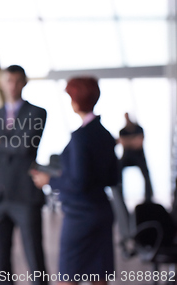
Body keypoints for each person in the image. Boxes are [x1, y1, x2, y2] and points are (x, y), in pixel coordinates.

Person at [31, 77, 118, 285]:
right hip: (102, 210)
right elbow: (113, 177)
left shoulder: (81, 137)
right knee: (99, 276)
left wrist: (49, 181)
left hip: (80, 215)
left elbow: (78, 183)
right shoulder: (105, 134)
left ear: (76, 101)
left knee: (68, 277)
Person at [0, 65, 48, 285]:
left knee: (35, 259)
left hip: (25, 194)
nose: (12, 85)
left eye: (17, 81)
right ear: (1, 83)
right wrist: (10, 144)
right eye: (8, 81)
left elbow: (26, 146)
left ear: (24, 83)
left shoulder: (37, 113)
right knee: (0, 265)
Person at [118, 112, 153, 202]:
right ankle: (119, 198)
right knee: (117, 171)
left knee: (146, 174)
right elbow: (122, 142)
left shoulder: (138, 128)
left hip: (139, 157)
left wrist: (127, 141)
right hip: (127, 157)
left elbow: (138, 143)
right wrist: (133, 140)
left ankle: (148, 198)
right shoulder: (122, 131)